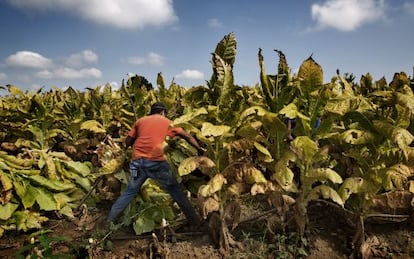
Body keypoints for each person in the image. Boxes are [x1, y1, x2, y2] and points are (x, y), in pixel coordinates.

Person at [106, 102, 204, 226]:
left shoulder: (140, 121)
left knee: (130, 191)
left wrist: (131, 144)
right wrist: (199, 149)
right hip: (156, 163)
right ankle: (195, 221)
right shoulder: (168, 122)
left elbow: (128, 141)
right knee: (175, 190)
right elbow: (187, 136)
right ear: (162, 112)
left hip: (136, 164)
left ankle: (109, 221)